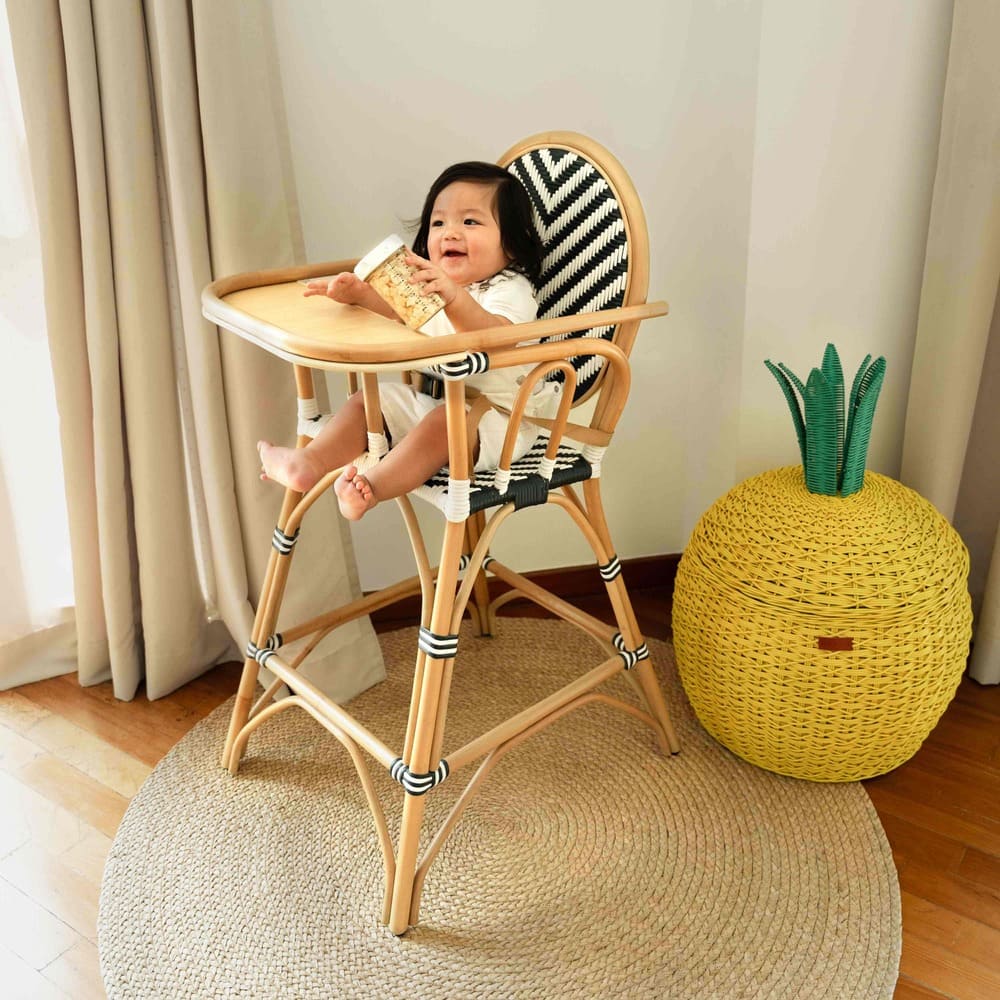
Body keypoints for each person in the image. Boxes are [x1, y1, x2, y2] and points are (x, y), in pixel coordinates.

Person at [257, 162, 555, 520]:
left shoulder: (510, 289)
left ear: (511, 242)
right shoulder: (437, 282)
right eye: (439, 222)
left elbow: (497, 338)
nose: (450, 233)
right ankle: (309, 461)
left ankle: (370, 488)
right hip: (441, 402)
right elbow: (401, 313)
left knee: (446, 422)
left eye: (470, 222)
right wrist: (361, 295)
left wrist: (455, 300)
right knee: (369, 402)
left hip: (501, 421)